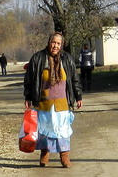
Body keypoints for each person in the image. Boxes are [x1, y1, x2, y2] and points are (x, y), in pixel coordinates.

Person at [24, 32, 82, 168]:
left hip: (62, 103)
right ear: (49, 43)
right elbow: (29, 80)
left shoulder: (67, 59)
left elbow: (74, 79)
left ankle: (64, 156)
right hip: (44, 103)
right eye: (53, 42)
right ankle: (44, 153)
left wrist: (78, 96)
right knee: (44, 130)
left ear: (61, 45)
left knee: (63, 130)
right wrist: (28, 96)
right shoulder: (38, 58)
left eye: (58, 43)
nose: (55, 46)